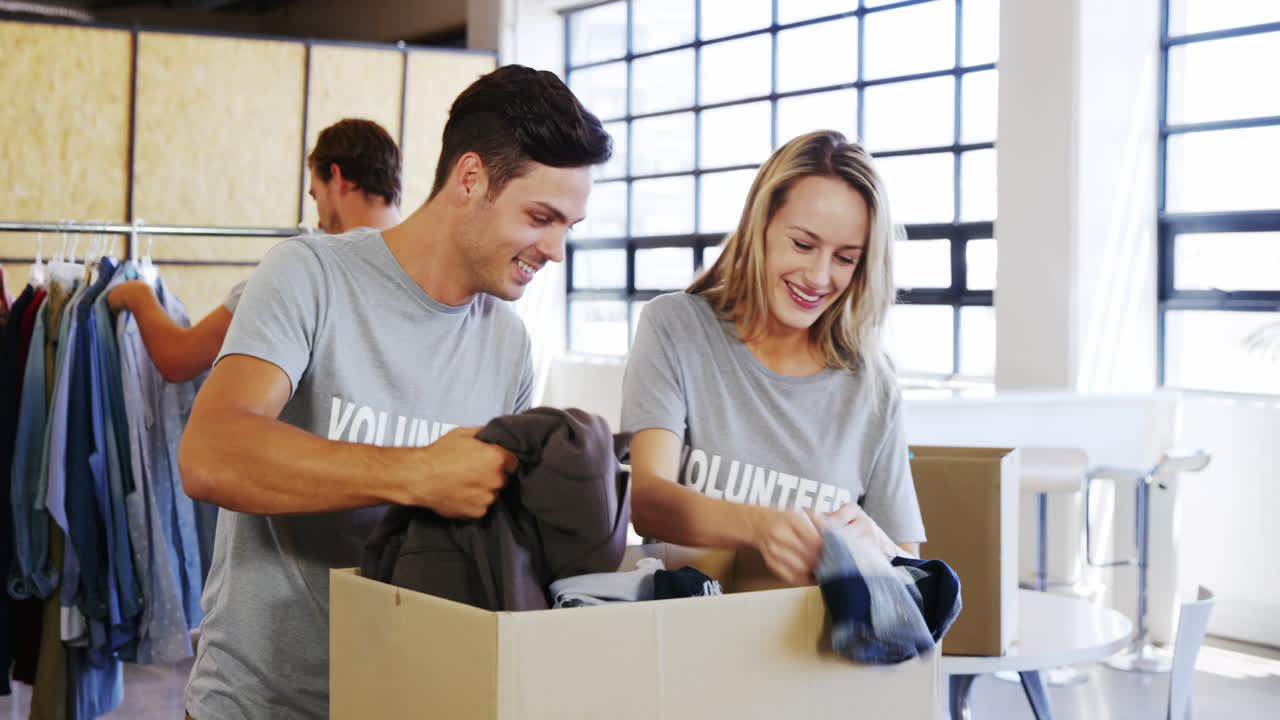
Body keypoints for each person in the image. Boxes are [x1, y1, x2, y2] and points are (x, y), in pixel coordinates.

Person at [178, 65, 611, 720]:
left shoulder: (510, 344)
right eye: (540, 217)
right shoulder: (309, 275)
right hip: (264, 704)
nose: (554, 249)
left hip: (413, 697)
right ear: (470, 179)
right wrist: (417, 473)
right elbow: (211, 454)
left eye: (567, 227)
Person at [621, 130, 925, 588]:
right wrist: (763, 528)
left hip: (815, 648)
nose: (819, 276)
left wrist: (875, 547)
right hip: (690, 638)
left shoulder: (873, 383)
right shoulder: (675, 327)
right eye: (803, 245)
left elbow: (908, 564)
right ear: (760, 226)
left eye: (845, 258)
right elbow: (648, 502)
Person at [106, 118, 404, 382]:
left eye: (315, 196)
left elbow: (177, 360)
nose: (318, 219)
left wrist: (137, 294)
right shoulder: (426, 272)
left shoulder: (302, 271)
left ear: (337, 178)